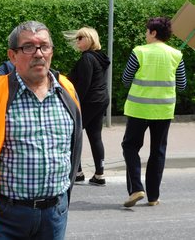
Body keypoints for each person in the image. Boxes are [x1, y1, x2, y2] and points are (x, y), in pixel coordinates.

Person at [0, 21, 83, 240]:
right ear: (12, 56)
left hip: (54, 214)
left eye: (44, 46)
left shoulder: (67, 91)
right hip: (4, 216)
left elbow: (75, 147)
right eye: (28, 47)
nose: (38, 53)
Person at [121, 17, 187, 207]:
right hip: (164, 110)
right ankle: (153, 197)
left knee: (130, 147)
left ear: (154, 33)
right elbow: (182, 85)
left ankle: (136, 188)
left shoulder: (139, 52)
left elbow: (126, 79)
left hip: (138, 108)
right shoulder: (177, 55)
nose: (145, 34)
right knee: (158, 151)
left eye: (147, 30)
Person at [64, 27, 110, 186]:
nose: (77, 41)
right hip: (101, 100)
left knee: (72, 134)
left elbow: (84, 84)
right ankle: (99, 174)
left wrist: (74, 103)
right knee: (95, 136)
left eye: (80, 38)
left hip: (89, 101)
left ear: (90, 39)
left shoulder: (87, 59)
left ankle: (77, 172)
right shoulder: (100, 57)